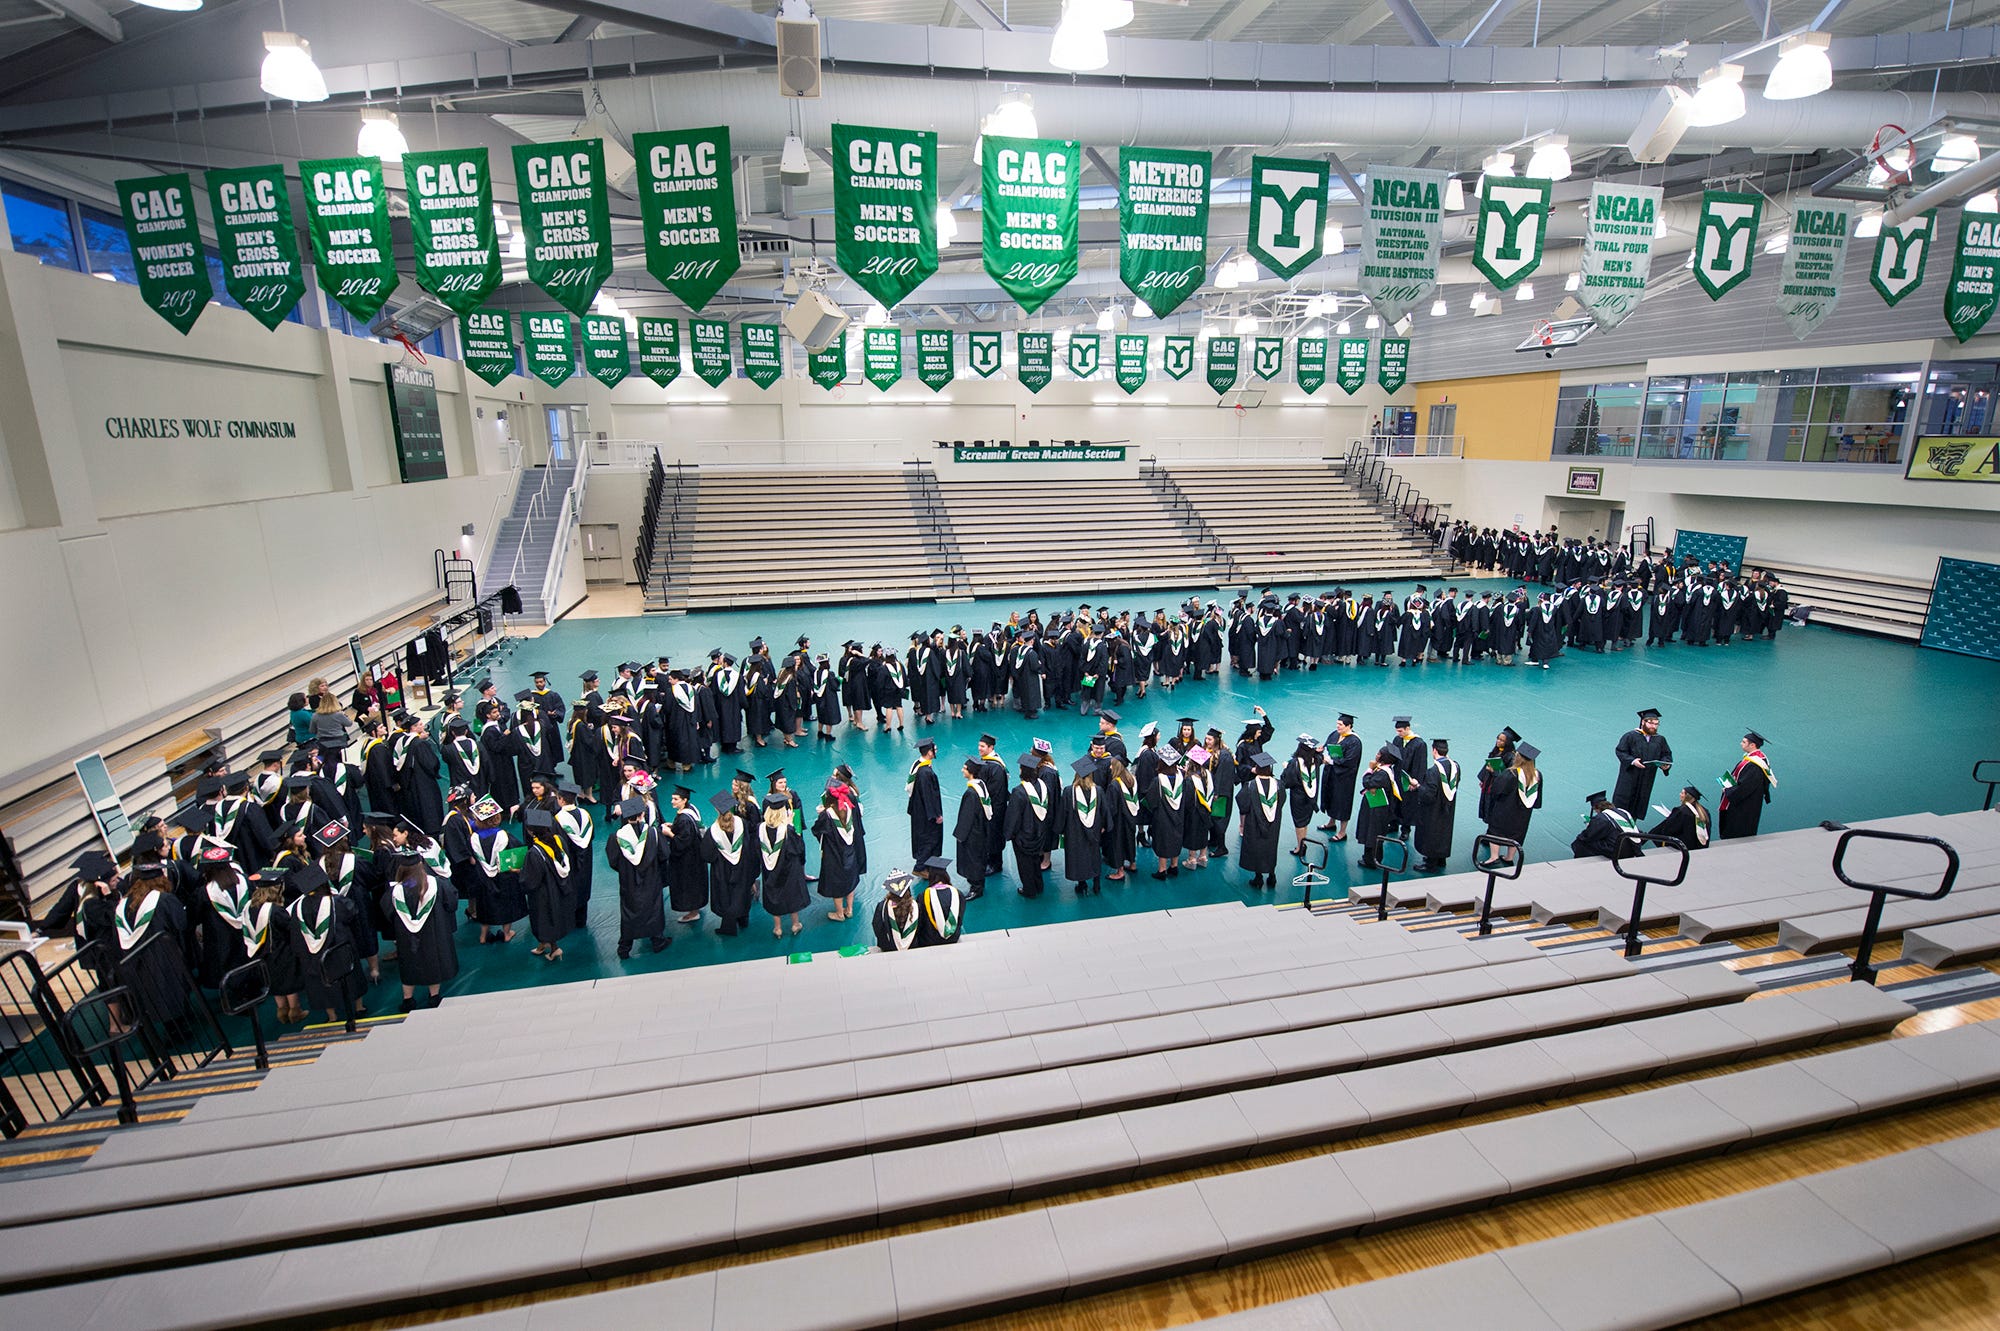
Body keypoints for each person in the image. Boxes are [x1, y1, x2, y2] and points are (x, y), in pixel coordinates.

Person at [287, 864, 369, 1024]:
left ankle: (332, 1016)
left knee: (322, 981)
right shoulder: (336, 902)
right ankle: (359, 1007)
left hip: (313, 954)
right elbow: (351, 914)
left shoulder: (298, 907)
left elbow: (296, 934)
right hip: (339, 947)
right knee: (350, 976)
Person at [380, 845, 458, 1011]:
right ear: (421, 865)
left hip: (406, 938)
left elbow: (387, 912)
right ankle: (434, 996)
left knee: (409, 963)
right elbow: (451, 903)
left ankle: (408, 1000)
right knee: (432, 961)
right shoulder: (436, 884)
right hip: (433, 934)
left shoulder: (395, 891)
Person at [605, 798, 668, 959]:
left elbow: (613, 861)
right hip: (651, 879)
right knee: (653, 908)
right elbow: (664, 854)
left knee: (629, 912)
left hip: (629, 882)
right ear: (642, 814)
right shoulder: (653, 833)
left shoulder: (616, 837)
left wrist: (627, 871)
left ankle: (624, 948)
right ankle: (658, 942)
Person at [757, 793, 810, 938]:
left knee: (774, 896)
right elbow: (798, 849)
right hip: (789, 870)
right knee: (791, 895)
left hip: (770, 870)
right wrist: (790, 825)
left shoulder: (760, 828)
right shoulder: (788, 830)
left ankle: (778, 928)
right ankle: (795, 924)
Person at [704, 792, 757, 936]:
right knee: (742, 892)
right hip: (742, 866)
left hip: (723, 870)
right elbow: (747, 845)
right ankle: (743, 919)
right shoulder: (742, 824)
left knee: (726, 896)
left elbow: (707, 855)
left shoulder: (712, 832)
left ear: (717, 811)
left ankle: (728, 927)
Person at [1483, 742, 1541, 865]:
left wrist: (1495, 773)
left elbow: (1497, 789)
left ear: (1519, 758)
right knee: (1517, 833)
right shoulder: (1537, 775)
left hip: (1505, 809)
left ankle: (1494, 857)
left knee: (1496, 831)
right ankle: (1509, 858)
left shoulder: (1512, 773)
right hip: (1523, 812)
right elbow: (1536, 798)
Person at [1613, 708, 1673, 817]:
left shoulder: (1660, 740)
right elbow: (1620, 751)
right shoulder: (1630, 736)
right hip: (1629, 778)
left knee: (1637, 807)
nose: (1653, 726)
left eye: (1656, 724)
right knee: (1621, 808)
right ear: (1643, 722)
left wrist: (1665, 764)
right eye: (1650, 723)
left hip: (1646, 780)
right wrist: (1632, 761)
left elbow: (1666, 754)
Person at [814, 786, 862, 920]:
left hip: (833, 855)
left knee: (837, 884)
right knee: (850, 880)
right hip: (849, 851)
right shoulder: (847, 808)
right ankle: (850, 909)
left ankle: (840, 913)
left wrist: (820, 815)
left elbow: (817, 831)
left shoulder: (827, 814)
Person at [1004, 752, 1048, 897]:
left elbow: (1014, 818)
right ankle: (1039, 885)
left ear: (1023, 771)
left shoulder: (1019, 792)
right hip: (1040, 833)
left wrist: (1009, 834)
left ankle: (1029, 890)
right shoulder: (1042, 785)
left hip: (1024, 836)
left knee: (1025, 864)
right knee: (1036, 860)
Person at [1237, 751, 1283, 889]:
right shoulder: (1279, 784)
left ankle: (1258, 878)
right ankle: (1272, 876)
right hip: (1273, 822)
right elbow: (1281, 802)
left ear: (1256, 769)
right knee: (1270, 847)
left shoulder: (1251, 785)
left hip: (1254, 823)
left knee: (1257, 847)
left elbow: (1243, 804)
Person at [1413, 738, 1460, 872]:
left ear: (1434, 750)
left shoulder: (1433, 771)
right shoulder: (1456, 766)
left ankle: (1430, 864)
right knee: (1444, 831)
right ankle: (1441, 859)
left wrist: (1417, 786)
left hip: (1434, 810)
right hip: (1448, 807)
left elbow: (1428, 795)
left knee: (1432, 832)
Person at [1719, 729, 1775, 839]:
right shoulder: (1757, 758)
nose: (1741, 743)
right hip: (1748, 801)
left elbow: (1745, 787)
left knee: (1738, 830)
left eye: (1744, 742)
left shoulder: (1755, 765)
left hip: (1745, 805)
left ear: (1752, 745)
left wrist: (1727, 790)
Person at [1062, 758, 1105, 894]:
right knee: (1094, 855)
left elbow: (1063, 813)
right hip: (1095, 830)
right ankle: (1097, 885)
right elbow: (1105, 811)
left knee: (1079, 857)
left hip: (1075, 833)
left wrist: (1061, 829)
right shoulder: (1098, 791)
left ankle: (1082, 884)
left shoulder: (1069, 792)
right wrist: (1103, 826)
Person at [953, 758, 993, 899]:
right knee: (979, 857)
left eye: (964, 768)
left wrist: (960, 835)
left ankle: (976, 888)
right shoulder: (981, 785)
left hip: (973, 833)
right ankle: (978, 884)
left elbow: (967, 817)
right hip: (981, 829)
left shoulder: (971, 793)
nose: (962, 770)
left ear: (971, 772)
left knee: (973, 859)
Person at [1355, 749, 1400, 872]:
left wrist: (1369, 769)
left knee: (1373, 832)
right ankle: (1369, 857)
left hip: (1377, 808)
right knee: (1373, 832)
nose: (1377, 755)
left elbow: (1367, 783)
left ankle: (1372, 860)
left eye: (1379, 754)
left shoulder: (1383, 774)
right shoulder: (1384, 770)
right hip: (1375, 806)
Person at [1280, 734, 1324, 857]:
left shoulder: (1294, 764)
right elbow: (1320, 756)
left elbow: (1287, 782)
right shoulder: (1316, 760)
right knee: (1305, 822)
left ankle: (1300, 847)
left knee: (1299, 823)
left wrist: (1285, 768)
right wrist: (1317, 751)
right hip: (1311, 798)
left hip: (1298, 798)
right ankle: (1302, 843)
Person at [1148, 744, 1187, 880]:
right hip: (1179, 815)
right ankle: (1174, 866)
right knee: (1176, 838)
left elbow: (1151, 801)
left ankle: (1162, 869)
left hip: (1162, 817)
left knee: (1163, 840)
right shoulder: (1182, 778)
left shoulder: (1158, 780)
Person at [1320, 714, 1361, 841]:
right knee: (1331, 797)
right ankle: (1331, 822)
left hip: (1344, 778)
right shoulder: (1335, 734)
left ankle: (1342, 832)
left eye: (1340, 725)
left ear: (1349, 726)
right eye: (1337, 724)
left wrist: (1331, 761)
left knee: (1342, 802)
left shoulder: (1354, 742)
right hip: (1331, 774)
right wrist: (1322, 750)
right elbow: (1327, 746)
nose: (1337, 726)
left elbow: (1349, 761)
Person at [1571, 791, 1643, 861]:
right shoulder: (1623, 812)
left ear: (1597, 808)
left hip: (1618, 851)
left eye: (1595, 810)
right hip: (1633, 848)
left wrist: (1589, 827)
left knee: (1579, 842)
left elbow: (1588, 836)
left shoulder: (1602, 817)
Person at [906, 738, 944, 862]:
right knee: (929, 838)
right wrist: (936, 815)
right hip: (926, 813)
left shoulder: (917, 765)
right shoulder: (925, 773)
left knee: (923, 836)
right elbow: (929, 796)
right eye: (935, 749)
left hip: (918, 808)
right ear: (929, 752)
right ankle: (921, 866)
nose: (936, 751)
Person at [915, 858, 964, 945]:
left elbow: (921, 921)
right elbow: (959, 919)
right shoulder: (958, 894)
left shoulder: (923, 896)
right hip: (953, 937)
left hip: (929, 939)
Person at [872, 870, 922, 952]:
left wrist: (886, 944)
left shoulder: (882, 907)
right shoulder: (917, 907)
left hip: (888, 947)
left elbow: (877, 927)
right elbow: (921, 927)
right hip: (913, 946)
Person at [1650, 784, 1712, 850]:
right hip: (1700, 845)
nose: (1680, 794)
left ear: (1687, 796)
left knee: (1657, 831)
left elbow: (1669, 830)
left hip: (1685, 845)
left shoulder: (1681, 811)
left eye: (1682, 793)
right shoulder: (1704, 812)